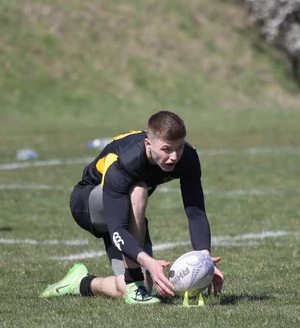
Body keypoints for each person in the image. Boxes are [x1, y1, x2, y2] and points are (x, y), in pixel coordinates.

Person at [40, 110, 224, 305]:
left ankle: (79, 282)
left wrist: (205, 259)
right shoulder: (124, 162)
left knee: (144, 286)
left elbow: (195, 211)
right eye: (166, 149)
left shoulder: (187, 157)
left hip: (124, 211)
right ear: (148, 144)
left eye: (178, 148)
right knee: (138, 189)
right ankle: (134, 280)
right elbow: (117, 229)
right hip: (88, 204)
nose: (174, 157)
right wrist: (146, 263)